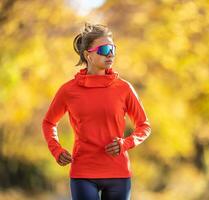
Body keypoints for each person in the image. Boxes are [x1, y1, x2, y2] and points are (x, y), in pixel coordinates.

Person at [41, 23, 151, 200]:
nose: (110, 54)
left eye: (113, 48)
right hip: (83, 173)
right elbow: (48, 122)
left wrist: (126, 143)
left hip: (118, 174)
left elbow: (144, 126)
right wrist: (56, 150)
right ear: (88, 55)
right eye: (105, 49)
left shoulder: (124, 88)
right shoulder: (68, 90)